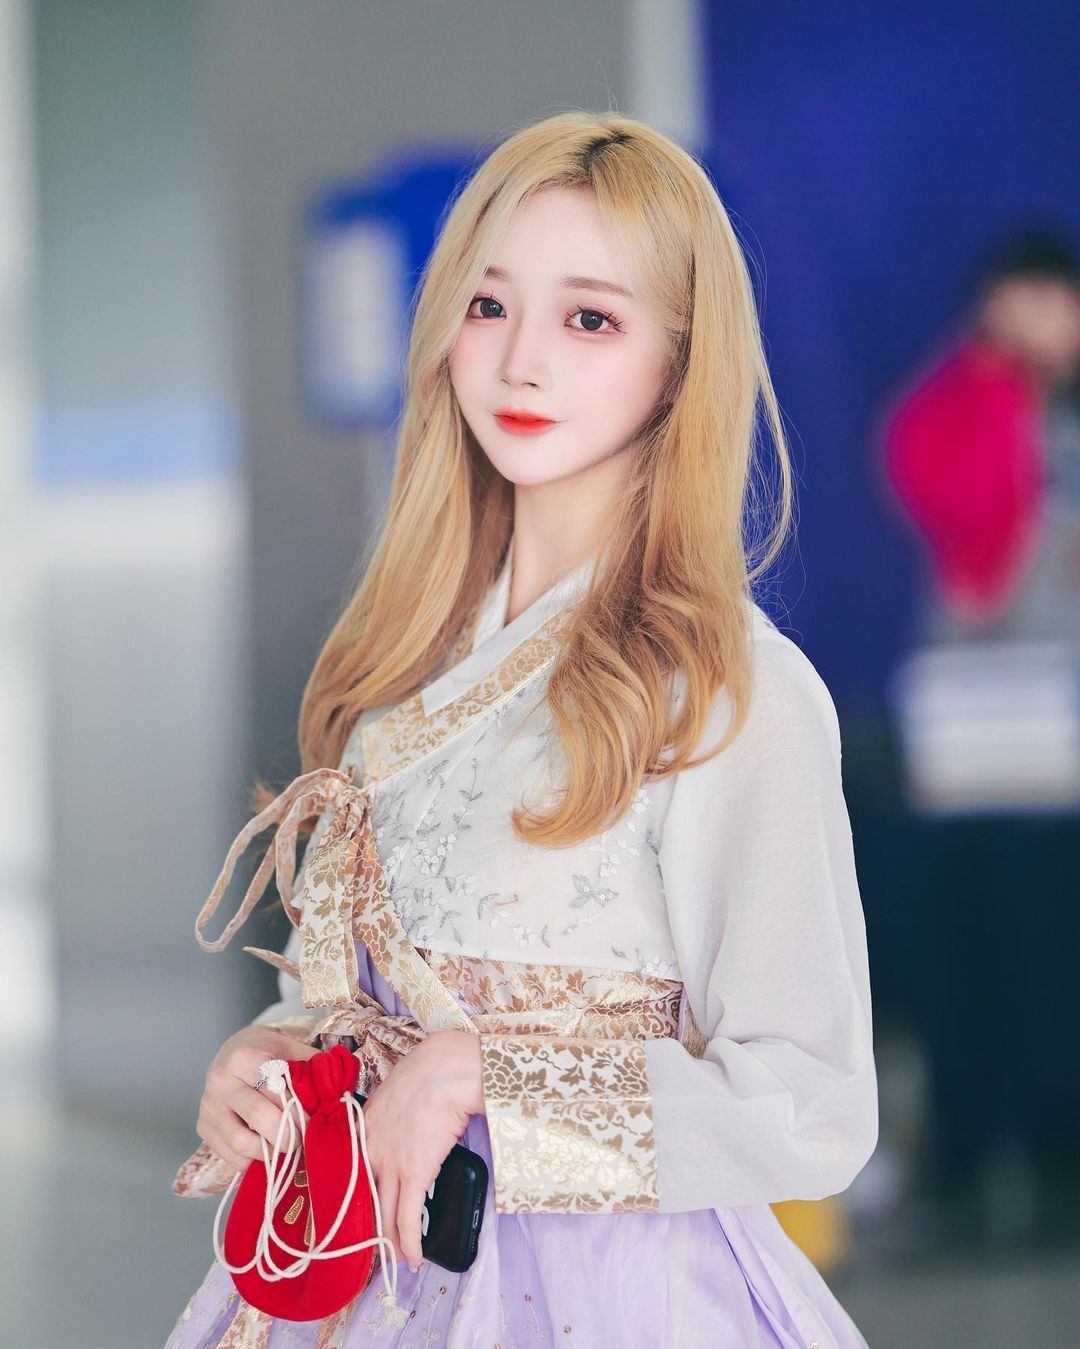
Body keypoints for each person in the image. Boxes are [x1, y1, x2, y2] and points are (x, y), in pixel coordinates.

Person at [165, 110, 878, 1347]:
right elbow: (362, 994)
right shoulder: (405, 667)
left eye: (590, 319)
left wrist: (491, 1077)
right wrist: (274, 1058)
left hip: (621, 1295)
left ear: (679, 363)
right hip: (371, 1279)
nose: (520, 361)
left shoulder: (727, 689)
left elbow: (809, 1101)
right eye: (489, 306)